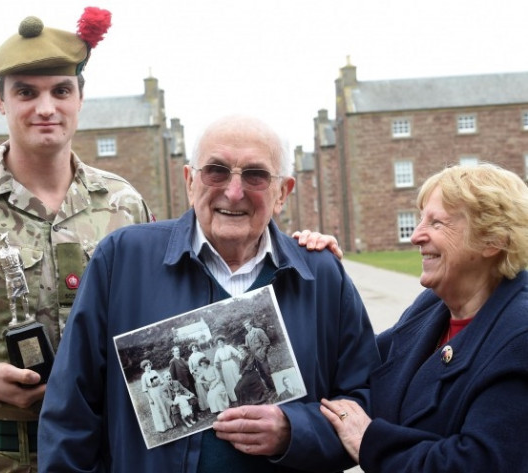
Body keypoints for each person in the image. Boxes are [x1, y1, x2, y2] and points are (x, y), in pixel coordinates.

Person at [38, 114, 380, 473]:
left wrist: (295, 431)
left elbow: (366, 400)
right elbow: (69, 413)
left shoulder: (320, 276)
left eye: (256, 175)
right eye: (216, 171)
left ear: (283, 193)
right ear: (189, 181)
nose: (234, 192)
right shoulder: (122, 260)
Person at [0, 8, 153, 472]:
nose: (46, 108)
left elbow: (166, 315)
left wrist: (300, 250)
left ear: (80, 96)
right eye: (26, 93)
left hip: (111, 455)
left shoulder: (125, 204)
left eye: (61, 90)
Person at [320, 163, 528, 472]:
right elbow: (357, 364)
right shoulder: (433, 305)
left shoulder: (519, 336)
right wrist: (315, 267)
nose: (416, 236)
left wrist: (371, 443)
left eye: (437, 223)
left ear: (492, 240)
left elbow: (475, 463)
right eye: (420, 220)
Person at [141, 361, 175, 433]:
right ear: (144, 368)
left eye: (149, 365)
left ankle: (170, 424)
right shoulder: (144, 376)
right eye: (147, 366)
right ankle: (163, 427)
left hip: (160, 391)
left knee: (165, 407)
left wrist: (165, 389)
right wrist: (149, 399)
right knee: (158, 409)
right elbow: (144, 390)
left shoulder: (154, 372)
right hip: (153, 393)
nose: (149, 367)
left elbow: (162, 381)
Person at [243, 318, 275, 391]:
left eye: (248, 325)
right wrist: (243, 348)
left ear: (251, 325)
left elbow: (267, 342)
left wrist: (263, 352)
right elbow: (247, 347)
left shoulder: (258, 331)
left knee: (267, 372)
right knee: (261, 373)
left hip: (261, 356)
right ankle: (270, 388)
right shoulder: (247, 336)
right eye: (245, 326)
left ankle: (275, 387)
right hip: (255, 358)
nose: (247, 327)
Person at [212, 335, 242, 403]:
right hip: (224, 365)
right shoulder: (218, 351)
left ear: (223, 341)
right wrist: (216, 367)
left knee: (236, 377)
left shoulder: (229, 347)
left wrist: (241, 357)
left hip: (231, 362)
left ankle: (242, 392)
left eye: (221, 341)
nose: (220, 343)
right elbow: (216, 361)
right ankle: (234, 397)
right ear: (217, 344)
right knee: (229, 380)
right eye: (218, 342)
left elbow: (237, 353)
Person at [187, 342, 210, 412]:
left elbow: (207, 363)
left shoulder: (201, 354)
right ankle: (206, 405)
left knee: (208, 386)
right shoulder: (190, 358)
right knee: (201, 390)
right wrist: (195, 373)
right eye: (193, 347)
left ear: (197, 347)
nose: (195, 348)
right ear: (191, 349)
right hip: (197, 374)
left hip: (204, 370)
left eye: (195, 347)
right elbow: (190, 369)